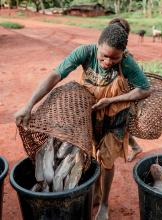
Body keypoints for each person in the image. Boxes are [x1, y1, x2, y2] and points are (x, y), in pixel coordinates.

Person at [15, 21, 150, 220]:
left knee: (106, 161)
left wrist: (112, 100)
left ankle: (104, 204)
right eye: (104, 55)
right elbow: (55, 75)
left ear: (123, 53)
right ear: (97, 45)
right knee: (92, 155)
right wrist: (29, 104)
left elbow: (144, 89)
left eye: (115, 58)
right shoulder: (85, 52)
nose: (107, 62)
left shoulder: (128, 63)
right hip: (90, 114)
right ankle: (95, 194)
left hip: (115, 120)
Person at [109, 17, 143, 162]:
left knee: (121, 125)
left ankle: (134, 147)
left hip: (123, 97)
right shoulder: (106, 49)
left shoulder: (128, 57)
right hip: (111, 95)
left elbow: (140, 83)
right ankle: (133, 146)